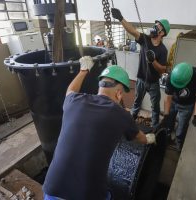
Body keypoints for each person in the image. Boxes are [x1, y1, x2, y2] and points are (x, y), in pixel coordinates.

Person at [42, 56, 156, 200]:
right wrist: (148, 139)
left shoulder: (74, 101)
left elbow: (70, 91)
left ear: (100, 86)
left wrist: (83, 71)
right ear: (119, 94)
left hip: (52, 188)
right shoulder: (121, 115)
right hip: (86, 194)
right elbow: (139, 138)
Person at [111, 8, 170, 129]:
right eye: (155, 25)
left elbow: (162, 70)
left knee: (155, 108)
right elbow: (132, 31)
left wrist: (153, 61)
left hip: (153, 83)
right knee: (137, 103)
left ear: (162, 33)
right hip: (141, 80)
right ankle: (130, 123)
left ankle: (154, 130)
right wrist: (121, 18)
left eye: (157, 26)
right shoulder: (145, 39)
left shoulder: (163, 50)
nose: (154, 27)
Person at [161, 62, 196, 149]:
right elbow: (168, 97)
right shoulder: (171, 76)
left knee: (181, 128)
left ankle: (178, 145)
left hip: (187, 105)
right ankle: (166, 138)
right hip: (173, 102)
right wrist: (166, 115)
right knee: (168, 123)